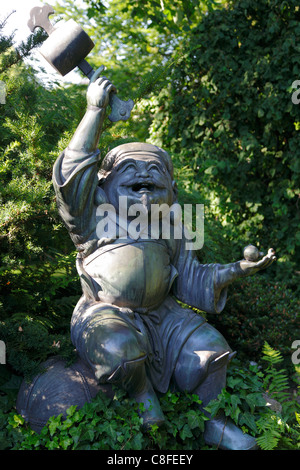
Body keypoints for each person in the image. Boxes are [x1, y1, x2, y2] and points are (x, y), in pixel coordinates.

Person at [52, 69, 276, 450]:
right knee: (120, 350)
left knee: (211, 348)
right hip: (105, 312)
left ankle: (213, 423)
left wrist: (238, 269)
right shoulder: (93, 214)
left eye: (155, 171)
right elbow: (72, 175)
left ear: (171, 190)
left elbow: (192, 278)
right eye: (131, 170)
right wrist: (94, 110)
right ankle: (142, 399)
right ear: (105, 183)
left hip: (164, 314)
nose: (144, 174)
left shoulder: (173, 223)